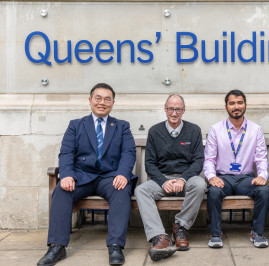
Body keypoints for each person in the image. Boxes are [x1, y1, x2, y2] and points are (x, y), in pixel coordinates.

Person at [37, 83, 136, 266]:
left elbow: (129, 153)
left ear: (113, 103)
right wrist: (66, 174)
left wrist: (123, 174)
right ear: (90, 100)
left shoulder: (121, 126)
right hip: (82, 176)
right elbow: (66, 153)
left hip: (109, 177)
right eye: (98, 98)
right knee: (61, 190)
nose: (102, 102)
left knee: (122, 190)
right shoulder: (76, 125)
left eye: (107, 99)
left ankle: (115, 245)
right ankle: (57, 246)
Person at [134, 94, 206, 262]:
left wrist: (183, 179)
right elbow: (150, 164)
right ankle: (159, 236)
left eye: (178, 109)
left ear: (184, 110)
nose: (174, 113)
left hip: (186, 179)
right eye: (171, 109)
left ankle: (180, 228)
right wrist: (164, 181)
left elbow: (198, 161)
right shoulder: (155, 131)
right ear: (165, 109)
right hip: (163, 180)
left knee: (200, 184)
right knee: (141, 190)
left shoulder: (193, 130)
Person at [204, 89, 269, 248]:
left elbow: (261, 157)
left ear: (245, 105)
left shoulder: (255, 130)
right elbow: (209, 159)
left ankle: (257, 233)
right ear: (226, 106)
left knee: (264, 190)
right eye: (232, 103)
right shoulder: (216, 129)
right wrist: (212, 177)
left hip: (246, 179)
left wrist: (262, 176)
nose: (236, 106)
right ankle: (215, 233)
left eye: (239, 102)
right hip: (223, 178)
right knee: (213, 191)